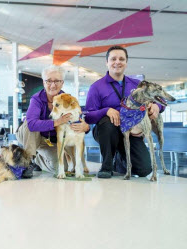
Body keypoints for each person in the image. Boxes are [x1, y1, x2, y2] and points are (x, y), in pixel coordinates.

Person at [84, 45, 165, 179]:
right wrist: (106, 110)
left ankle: (120, 161)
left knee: (144, 169)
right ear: (107, 62)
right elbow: (88, 116)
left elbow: (159, 99)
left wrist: (157, 106)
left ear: (126, 63)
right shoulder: (96, 87)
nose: (117, 62)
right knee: (107, 122)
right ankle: (106, 166)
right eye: (113, 59)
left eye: (121, 59)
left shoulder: (137, 85)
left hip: (131, 132)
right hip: (107, 131)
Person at [16, 65, 90, 175]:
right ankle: (28, 161)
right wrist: (57, 122)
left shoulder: (66, 99)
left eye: (57, 81)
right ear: (44, 83)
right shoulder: (36, 99)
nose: (53, 85)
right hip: (30, 135)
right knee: (30, 123)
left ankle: (38, 160)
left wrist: (86, 127)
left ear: (62, 83)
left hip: (49, 141)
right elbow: (31, 124)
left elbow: (76, 118)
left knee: (62, 168)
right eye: (49, 81)